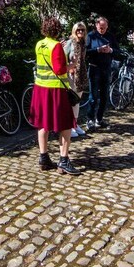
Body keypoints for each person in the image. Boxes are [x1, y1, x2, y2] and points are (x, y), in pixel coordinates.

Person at [30, 17, 81, 175]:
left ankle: (43, 157)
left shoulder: (40, 44)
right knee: (65, 125)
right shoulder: (57, 46)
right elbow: (59, 70)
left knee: (43, 123)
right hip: (55, 90)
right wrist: (71, 65)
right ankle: (64, 160)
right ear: (57, 30)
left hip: (40, 88)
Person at [85, 16, 120, 129]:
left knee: (104, 96)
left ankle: (99, 119)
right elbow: (84, 52)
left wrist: (110, 50)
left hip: (106, 69)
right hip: (94, 68)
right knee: (93, 96)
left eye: (104, 28)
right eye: (100, 27)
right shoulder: (90, 36)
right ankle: (90, 119)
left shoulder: (110, 36)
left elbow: (118, 51)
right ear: (96, 26)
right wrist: (97, 50)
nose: (102, 30)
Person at [64, 22, 89, 138]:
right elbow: (63, 57)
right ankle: (69, 125)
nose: (80, 32)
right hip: (72, 74)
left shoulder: (83, 43)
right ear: (74, 31)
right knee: (71, 100)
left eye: (82, 30)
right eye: (78, 30)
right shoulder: (70, 43)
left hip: (81, 74)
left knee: (77, 100)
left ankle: (75, 124)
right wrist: (69, 68)